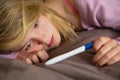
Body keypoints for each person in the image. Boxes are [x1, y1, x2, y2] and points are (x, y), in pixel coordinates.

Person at [0, 0, 120, 67]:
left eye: (35, 25)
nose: (43, 39)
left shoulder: (94, 4)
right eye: (28, 45)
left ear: (34, 7)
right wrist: (17, 56)